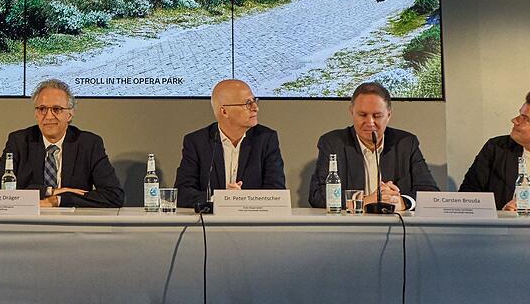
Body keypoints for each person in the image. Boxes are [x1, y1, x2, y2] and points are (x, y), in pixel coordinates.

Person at [0, 79, 124, 207]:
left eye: (56, 109)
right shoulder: (19, 141)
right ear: (36, 113)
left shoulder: (88, 144)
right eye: (42, 109)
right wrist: (49, 191)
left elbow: (113, 195)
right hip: (27, 223)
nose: (49, 116)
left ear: (69, 115)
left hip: (73, 225)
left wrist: (58, 200)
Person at [309, 82, 438, 210]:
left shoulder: (406, 143)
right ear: (351, 112)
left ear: (388, 115)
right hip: (349, 226)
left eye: (377, 116)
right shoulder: (332, 143)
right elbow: (317, 196)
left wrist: (403, 202)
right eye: (362, 115)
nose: (370, 123)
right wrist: (366, 200)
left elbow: (429, 192)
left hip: (397, 226)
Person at [174, 79, 285, 208]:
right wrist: (220, 198)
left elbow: (276, 192)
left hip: (252, 221)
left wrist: (239, 199)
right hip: (210, 224)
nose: (255, 108)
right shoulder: (197, 142)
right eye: (247, 103)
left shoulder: (266, 139)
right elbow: (182, 193)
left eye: (254, 101)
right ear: (224, 112)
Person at [460, 90, 530, 210]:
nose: (514, 120)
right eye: (520, 115)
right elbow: (467, 196)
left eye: (524, 118)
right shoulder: (497, 148)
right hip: (500, 228)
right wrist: (501, 215)